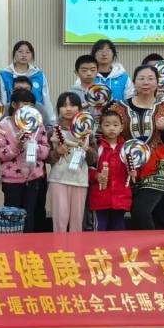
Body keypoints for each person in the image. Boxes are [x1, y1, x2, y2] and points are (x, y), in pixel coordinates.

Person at [112, 65, 164, 230]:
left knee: (140, 211)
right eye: (141, 78)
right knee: (133, 213)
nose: (145, 82)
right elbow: (106, 136)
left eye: (150, 78)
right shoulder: (118, 108)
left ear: (157, 82)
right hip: (126, 170)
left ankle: (152, 245)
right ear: (134, 82)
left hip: (158, 169)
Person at [0, 88, 50, 232]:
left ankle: (28, 244)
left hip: (33, 179)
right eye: (24, 104)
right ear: (13, 104)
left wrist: (33, 146)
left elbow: (45, 151)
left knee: (29, 215)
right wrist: (16, 146)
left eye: (31, 105)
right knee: (12, 216)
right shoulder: (2, 126)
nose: (28, 108)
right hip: (11, 180)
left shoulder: (38, 126)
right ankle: (12, 244)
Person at [47, 92, 97, 233]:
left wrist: (87, 150)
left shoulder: (88, 132)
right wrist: (57, 152)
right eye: (64, 106)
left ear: (80, 109)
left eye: (73, 105)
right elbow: (46, 158)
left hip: (80, 180)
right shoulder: (53, 132)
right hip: (58, 180)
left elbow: (93, 159)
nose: (68, 109)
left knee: (77, 221)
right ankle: (58, 246)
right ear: (58, 109)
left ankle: (76, 247)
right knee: (60, 220)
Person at [90, 109, 132, 231]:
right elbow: (88, 169)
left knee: (118, 229)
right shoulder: (97, 148)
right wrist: (96, 176)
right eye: (107, 125)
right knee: (100, 230)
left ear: (121, 127)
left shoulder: (127, 148)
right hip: (100, 199)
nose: (111, 128)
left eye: (115, 125)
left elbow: (133, 169)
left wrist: (134, 172)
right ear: (100, 127)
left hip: (121, 198)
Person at [0, 40, 55, 126]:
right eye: (20, 51)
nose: (24, 55)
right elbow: (2, 99)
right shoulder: (4, 74)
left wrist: (51, 120)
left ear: (32, 55)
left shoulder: (38, 74)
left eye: (28, 52)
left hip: (35, 116)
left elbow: (46, 99)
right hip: (12, 117)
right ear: (14, 53)